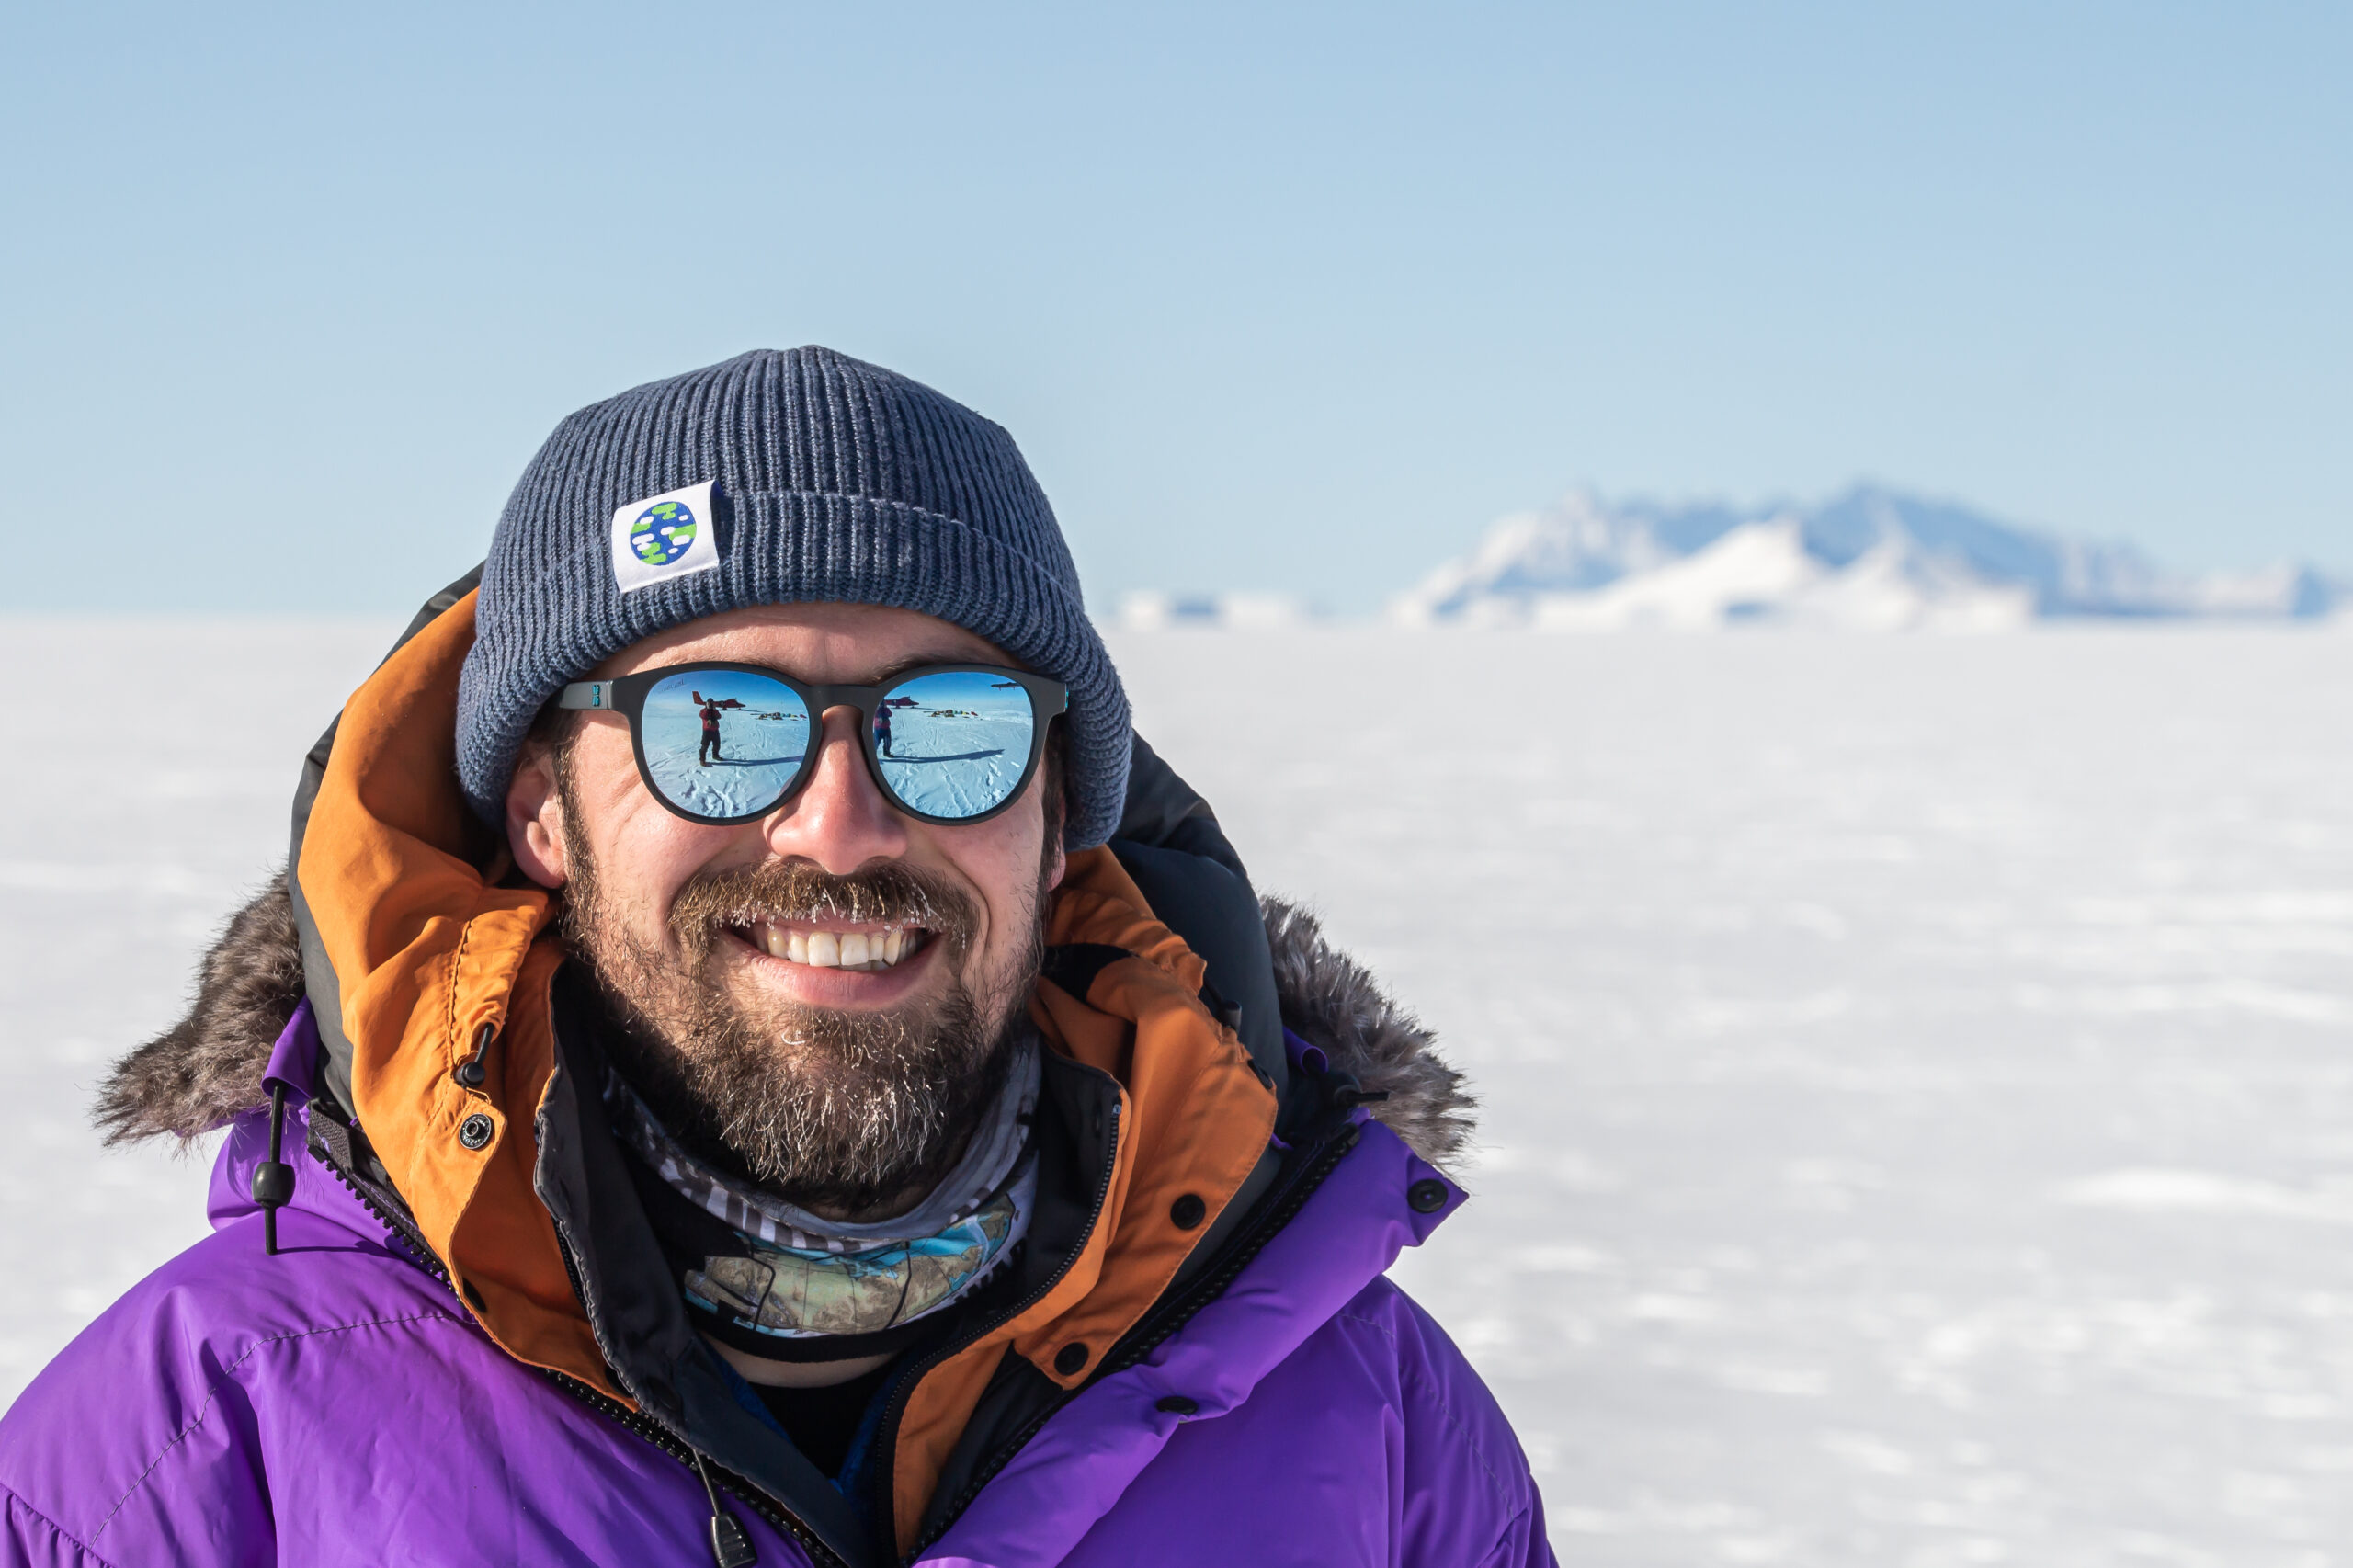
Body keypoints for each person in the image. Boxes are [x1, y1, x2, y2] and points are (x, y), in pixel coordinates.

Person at [0, 348, 1554, 1566]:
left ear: (1060, 808)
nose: (841, 823)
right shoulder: (195, 1446)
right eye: (716, 728)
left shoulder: (1371, 1423)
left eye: (949, 726)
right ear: (544, 808)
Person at [698, 687, 726, 765]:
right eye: (709, 703)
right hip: (707, 731)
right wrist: (707, 709)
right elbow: (702, 716)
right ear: (706, 704)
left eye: (711, 703)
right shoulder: (703, 711)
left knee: (717, 745)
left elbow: (719, 716)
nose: (710, 704)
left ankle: (715, 756)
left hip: (715, 731)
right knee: (704, 746)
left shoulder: (715, 711)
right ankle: (702, 760)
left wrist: (714, 709)